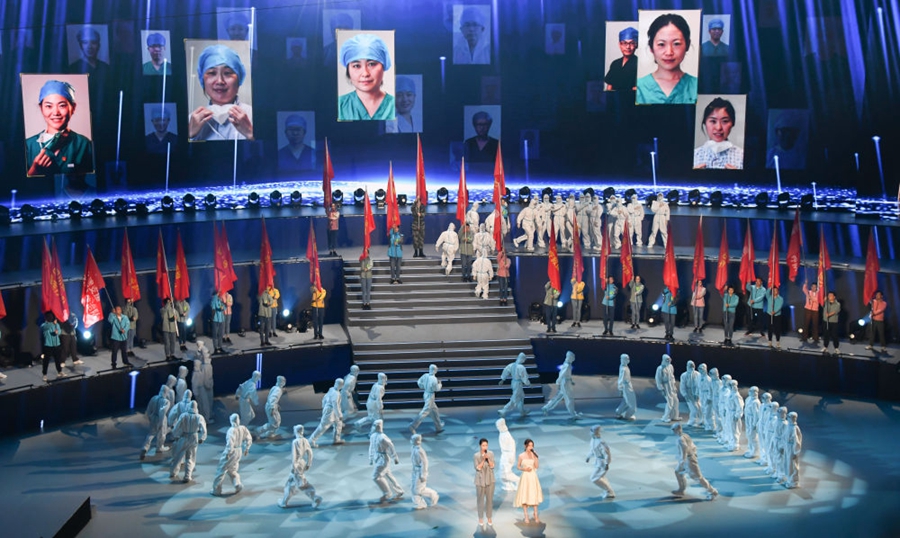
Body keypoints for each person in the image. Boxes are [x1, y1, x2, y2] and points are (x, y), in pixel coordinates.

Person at [26, 79, 94, 177]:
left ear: (73, 108)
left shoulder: (84, 145)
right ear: (41, 108)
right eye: (48, 106)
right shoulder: (28, 146)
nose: (55, 113)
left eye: (62, 106)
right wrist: (34, 170)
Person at [189, 44, 253, 141]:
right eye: (212, 73)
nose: (220, 81)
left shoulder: (252, 115)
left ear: (239, 79)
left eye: (227, 73)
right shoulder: (191, 120)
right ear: (202, 79)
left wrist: (250, 133)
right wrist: (189, 135)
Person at [636, 13, 698, 105]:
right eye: (661, 44)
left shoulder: (697, 86)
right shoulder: (639, 87)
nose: (669, 52)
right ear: (651, 47)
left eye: (676, 44)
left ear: (687, 45)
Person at [338, 33, 395, 121]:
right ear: (348, 70)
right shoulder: (340, 105)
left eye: (371, 64)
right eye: (356, 66)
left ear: (383, 66)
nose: (365, 73)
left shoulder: (395, 105)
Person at [278, 425, 323, 508]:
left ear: (296, 431)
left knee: (302, 484)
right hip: (302, 463)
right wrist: (309, 463)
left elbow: (294, 456)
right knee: (290, 483)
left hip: (296, 465)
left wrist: (294, 467)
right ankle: (284, 501)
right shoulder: (305, 440)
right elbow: (310, 452)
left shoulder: (295, 442)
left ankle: (315, 498)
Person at [671, 423, 718, 500]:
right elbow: (693, 447)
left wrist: (683, 461)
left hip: (688, 460)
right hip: (689, 458)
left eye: (673, 429)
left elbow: (684, 451)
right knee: (678, 472)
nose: (673, 431)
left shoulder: (680, 439)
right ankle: (681, 489)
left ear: (677, 429)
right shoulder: (685, 435)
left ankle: (712, 491)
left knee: (698, 477)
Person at [694, 97, 743, 169]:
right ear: (705, 122)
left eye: (725, 121)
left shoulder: (742, 156)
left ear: (733, 123)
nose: (718, 127)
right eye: (713, 121)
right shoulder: (695, 155)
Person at [210, 413, 253, 496]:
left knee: (221, 470)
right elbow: (249, 438)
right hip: (239, 450)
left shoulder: (231, 430)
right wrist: (247, 448)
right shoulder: (243, 428)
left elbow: (230, 444)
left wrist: (228, 453)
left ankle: (216, 489)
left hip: (232, 451)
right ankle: (237, 484)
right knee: (232, 469)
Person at [169, 401, 208, 483]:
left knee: (178, 455)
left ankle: (173, 472)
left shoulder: (183, 416)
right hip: (194, 437)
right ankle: (187, 475)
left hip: (184, 436)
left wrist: (175, 435)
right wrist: (202, 438)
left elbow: (177, 426)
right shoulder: (199, 417)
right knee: (190, 457)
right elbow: (203, 429)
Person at [369, 420, 404, 502]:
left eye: (377, 425)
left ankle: (387, 493)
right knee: (388, 475)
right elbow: (371, 447)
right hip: (377, 457)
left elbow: (391, 446)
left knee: (376, 476)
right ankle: (399, 491)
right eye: (374, 425)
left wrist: (395, 457)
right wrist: (371, 457)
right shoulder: (373, 436)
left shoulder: (383, 437)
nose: (375, 427)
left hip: (383, 458)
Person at [542, 351, 581, 418]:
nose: (573, 359)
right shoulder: (567, 365)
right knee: (569, 398)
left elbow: (565, 374)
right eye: (573, 357)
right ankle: (573, 415)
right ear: (570, 357)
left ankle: (546, 407)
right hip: (565, 383)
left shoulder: (567, 364)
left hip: (565, 382)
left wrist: (570, 380)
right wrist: (559, 381)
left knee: (558, 396)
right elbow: (562, 374)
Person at [408, 364, 444, 434]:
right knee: (425, 412)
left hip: (426, 393)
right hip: (430, 395)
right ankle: (413, 425)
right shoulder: (434, 379)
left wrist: (423, 386)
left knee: (434, 410)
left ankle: (438, 426)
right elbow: (436, 389)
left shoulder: (425, 375)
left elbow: (419, 382)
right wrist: (440, 384)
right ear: (434, 370)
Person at [514, 439, 543, 524]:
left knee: (534, 494)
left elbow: (536, 466)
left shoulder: (534, 455)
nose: (531, 447)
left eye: (532, 446)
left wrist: (536, 457)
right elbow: (518, 466)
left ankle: (536, 514)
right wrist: (524, 469)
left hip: (533, 476)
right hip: (525, 477)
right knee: (525, 495)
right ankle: (526, 515)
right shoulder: (521, 455)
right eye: (529, 445)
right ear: (525, 446)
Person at [309, 378, 344, 447]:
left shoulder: (331, 389)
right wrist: (339, 414)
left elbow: (324, 398)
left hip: (331, 410)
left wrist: (324, 406)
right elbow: (335, 404)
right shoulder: (336, 393)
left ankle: (336, 439)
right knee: (323, 426)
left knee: (338, 424)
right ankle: (311, 440)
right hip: (330, 411)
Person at [140, 386, 171, 460]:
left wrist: (150, 417)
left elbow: (148, 409)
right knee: (162, 434)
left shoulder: (154, 398)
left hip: (153, 417)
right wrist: (161, 422)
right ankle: (160, 447)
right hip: (161, 419)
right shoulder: (166, 402)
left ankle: (145, 447)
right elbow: (162, 411)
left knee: (151, 434)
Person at [409, 434, 439, 510]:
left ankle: (433, 494)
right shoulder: (413, 448)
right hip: (415, 470)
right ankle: (419, 503)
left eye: (412, 440)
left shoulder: (420, 451)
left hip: (419, 472)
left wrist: (423, 475)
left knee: (418, 490)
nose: (411, 441)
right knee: (413, 488)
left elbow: (425, 463)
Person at [586, 425, 616, 499]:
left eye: (591, 431)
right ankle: (608, 491)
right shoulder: (593, 440)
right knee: (600, 477)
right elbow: (592, 450)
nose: (590, 432)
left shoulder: (601, 442)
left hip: (602, 463)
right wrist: (588, 457)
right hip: (597, 462)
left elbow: (607, 454)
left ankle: (609, 491)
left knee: (594, 478)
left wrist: (607, 463)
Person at [498, 352, 531, 419]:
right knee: (515, 398)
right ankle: (503, 410)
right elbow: (524, 377)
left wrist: (502, 379)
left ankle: (522, 411)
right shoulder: (521, 367)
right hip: (518, 384)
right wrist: (528, 383)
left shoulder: (512, 365)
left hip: (513, 383)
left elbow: (506, 371)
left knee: (520, 397)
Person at [474, 437, 496, 527]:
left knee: (489, 500)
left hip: (490, 479)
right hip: (480, 480)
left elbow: (492, 466)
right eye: (483, 445)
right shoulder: (476, 455)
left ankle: (489, 517)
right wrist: (483, 459)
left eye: (486, 445)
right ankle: (480, 518)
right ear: (480, 446)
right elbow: (477, 468)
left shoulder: (491, 454)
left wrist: (488, 459)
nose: (485, 447)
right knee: (480, 500)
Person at [495, 419, 518, 493]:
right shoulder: (502, 434)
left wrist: (510, 457)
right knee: (502, 473)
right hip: (504, 455)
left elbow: (512, 447)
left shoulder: (506, 435)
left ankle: (519, 481)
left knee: (506, 473)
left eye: (498, 426)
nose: (498, 427)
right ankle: (507, 485)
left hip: (508, 456)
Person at [40, 312, 64, 382]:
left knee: (58, 359)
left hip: (56, 344)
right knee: (46, 361)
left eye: (51, 316)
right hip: (48, 345)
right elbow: (47, 327)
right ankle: (44, 374)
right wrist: (53, 324)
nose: (51, 318)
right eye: (49, 317)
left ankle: (59, 371)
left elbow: (59, 331)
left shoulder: (56, 324)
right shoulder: (44, 325)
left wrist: (57, 332)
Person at [655, 354, 680, 422]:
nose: (668, 361)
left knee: (676, 401)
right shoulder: (660, 368)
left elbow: (672, 377)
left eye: (669, 360)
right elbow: (658, 379)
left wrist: (674, 386)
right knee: (670, 402)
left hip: (671, 386)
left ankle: (674, 416)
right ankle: (665, 417)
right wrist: (662, 389)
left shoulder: (670, 367)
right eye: (667, 360)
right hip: (666, 387)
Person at [615, 354, 637, 420]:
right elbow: (620, 379)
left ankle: (618, 412)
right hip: (627, 388)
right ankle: (628, 415)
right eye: (627, 359)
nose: (628, 360)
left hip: (627, 386)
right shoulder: (624, 369)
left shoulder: (623, 366)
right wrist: (620, 389)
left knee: (625, 401)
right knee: (632, 403)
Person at [680, 361, 702, 428]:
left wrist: (697, 394)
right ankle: (693, 421)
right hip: (689, 393)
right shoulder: (684, 375)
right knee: (693, 408)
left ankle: (701, 420)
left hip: (696, 392)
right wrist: (685, 394)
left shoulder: (698, 374)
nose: (691, 367)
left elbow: (699, 385)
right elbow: (682, 386)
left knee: (699, 407)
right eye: (690, 365)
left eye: (692, 365)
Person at [784, 411, 802, 489]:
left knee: (793, 465)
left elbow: (797, 441)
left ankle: (794, 481)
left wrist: (796, 452)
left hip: (791, 448)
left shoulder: (794, 428)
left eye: (789, 417)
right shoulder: (789, 426)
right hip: (788, 446)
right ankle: (789, 480)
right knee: (788, 464)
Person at [743, 386, 762, 459]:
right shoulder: (748, 399)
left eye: (755, 391)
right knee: (749, 435)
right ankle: (751, 449)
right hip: (748, 418)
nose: (754, 393)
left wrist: (755, 424)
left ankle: (755, 451)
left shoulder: (756, 402)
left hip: (752, 420)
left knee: (753, 436)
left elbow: (756, 414)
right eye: (752, 391)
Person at [698, 364, 714, 431]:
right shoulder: (699, 377)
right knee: (703, 409)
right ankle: (705, 422)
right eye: (700, 369)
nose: (701, 370)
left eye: (702, 369)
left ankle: (710, 425)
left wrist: (709, 397)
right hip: (701, 394)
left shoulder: (708, 379)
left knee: (708, 411)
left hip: (706, 394)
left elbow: (710, 389)